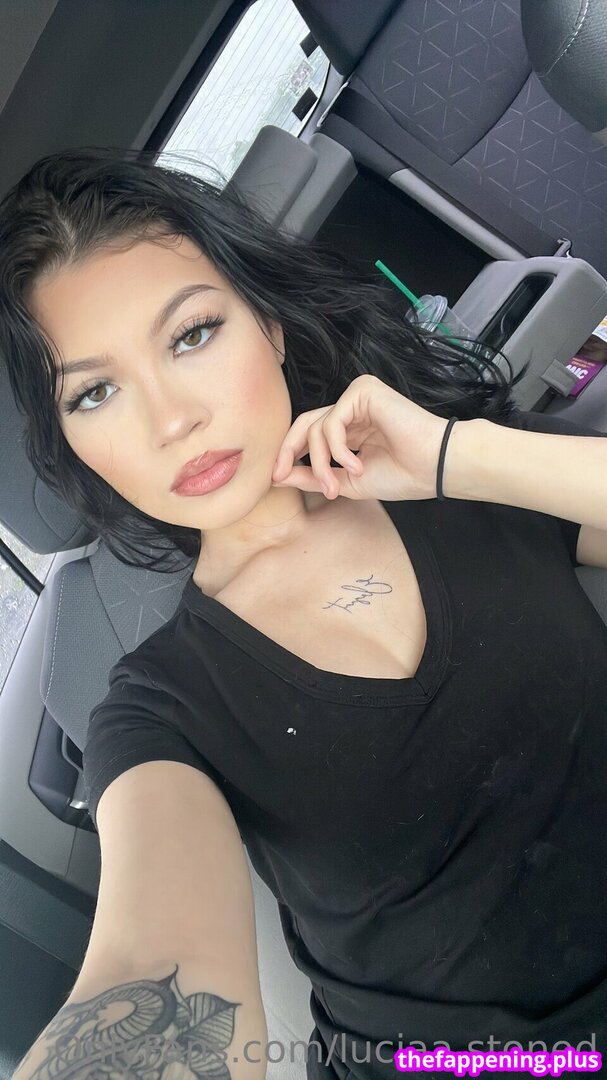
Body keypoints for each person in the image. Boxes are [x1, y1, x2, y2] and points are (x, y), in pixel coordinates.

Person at [1, 147, 606, 1080]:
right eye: (96, 392)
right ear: (75, 445)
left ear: (271, 328)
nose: (171, 419)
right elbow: (151, 974)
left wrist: (459, 457)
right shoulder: (155, 710)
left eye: (192, 334)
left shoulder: (463, 478)